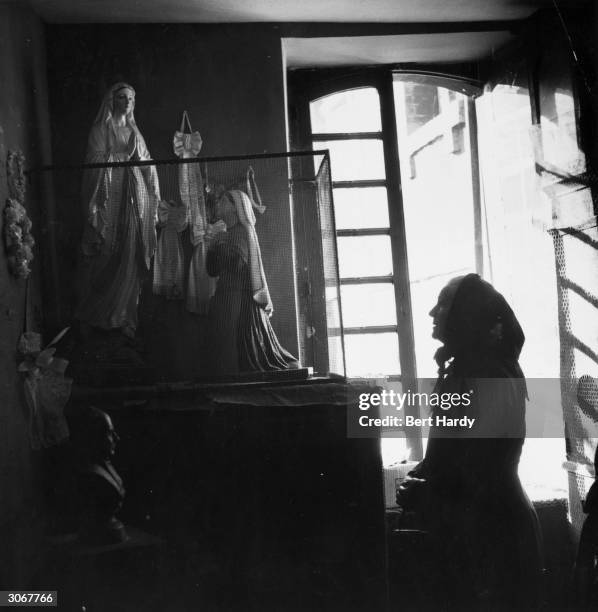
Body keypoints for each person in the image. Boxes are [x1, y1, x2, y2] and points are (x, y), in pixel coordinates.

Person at [398, 273, 543, 610]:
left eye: (444, 303)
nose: (433, 312)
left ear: (467, 313)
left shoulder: (490, 375)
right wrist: (422, 474)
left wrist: (426, 489)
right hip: (475, 531)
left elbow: (482, 467)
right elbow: (450, 451)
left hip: (494, 536)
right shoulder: (463, 369)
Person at [76, 82, 161, 338]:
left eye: (132, 99)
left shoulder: (135, 131)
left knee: (131, 253)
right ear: (111, 100)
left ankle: (124, 317)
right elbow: (93, 163)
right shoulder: (101, 129)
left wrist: (154, 192)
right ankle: (93, 315)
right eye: (122, 97)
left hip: (135, 200)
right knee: (104, 251)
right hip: (109, 202)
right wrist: (125, 157)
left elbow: (147, 164)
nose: (127, 102)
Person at [206, 188, 298, 375]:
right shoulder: (226, 233)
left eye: (223, 201)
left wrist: (220, 244)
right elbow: (212, 270)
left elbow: (237, 264)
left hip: (240, 300)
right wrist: (213, 246)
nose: (219, 204)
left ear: (235, 208)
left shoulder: (241, 232)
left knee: (238, 350)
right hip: (226, 296)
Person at [73, 406, 127, 545]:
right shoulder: (91, 474)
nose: (116, 438)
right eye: (109, 433)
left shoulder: (105, 466)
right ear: (94, 436)